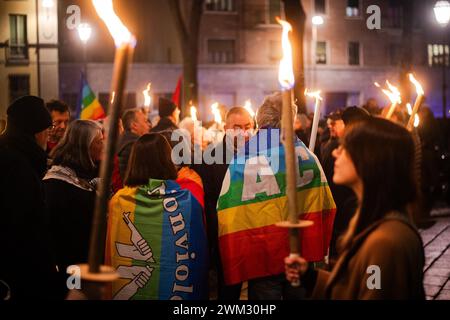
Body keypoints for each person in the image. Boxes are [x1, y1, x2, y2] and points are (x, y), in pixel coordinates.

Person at [285, 117, 425, 300]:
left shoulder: (385, 243)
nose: (335, 152)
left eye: (345, 147)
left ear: (369, 159)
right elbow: (358, 286)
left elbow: (373, 291)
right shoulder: (378, 227)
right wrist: (310, 277)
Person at [217, 93, 336, 300]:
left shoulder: (243, 159)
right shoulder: (308, 157)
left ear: (259, 119)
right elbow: (324, 202)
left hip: (263, 255)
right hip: (299, 255)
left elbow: (227, 212)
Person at [106, 133, 208, 300]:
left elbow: (111, 254)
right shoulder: (188, 201)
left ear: (134, 161)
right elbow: (198, 254)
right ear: (167, 159)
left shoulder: (119, 200)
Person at [0, 96, 62, 300]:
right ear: (35, 133)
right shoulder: (17, 167)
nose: (48, 137)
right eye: (47, 130)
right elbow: (26, 228)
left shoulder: (14, 155)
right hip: (20, 276)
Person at [192, 107, 255, 300]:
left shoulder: (262, 153)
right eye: (237, 127)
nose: (244, 132)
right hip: (226, 234)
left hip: (256, 230)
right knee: (229, 289)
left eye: (248, 126)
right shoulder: (210, 157)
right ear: (226, 128)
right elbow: (209, 201)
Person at [43, 120, 104, 292]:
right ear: (85, 145)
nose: (103, 145)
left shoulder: (90, 171)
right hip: (72, 265)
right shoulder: (57, 182)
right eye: (99, 141)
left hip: (88, 260)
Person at [117, 108, 151, 180]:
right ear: (134, 125)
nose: (149, 124)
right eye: (145, 121)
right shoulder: (136, 146)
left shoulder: (122, 140)